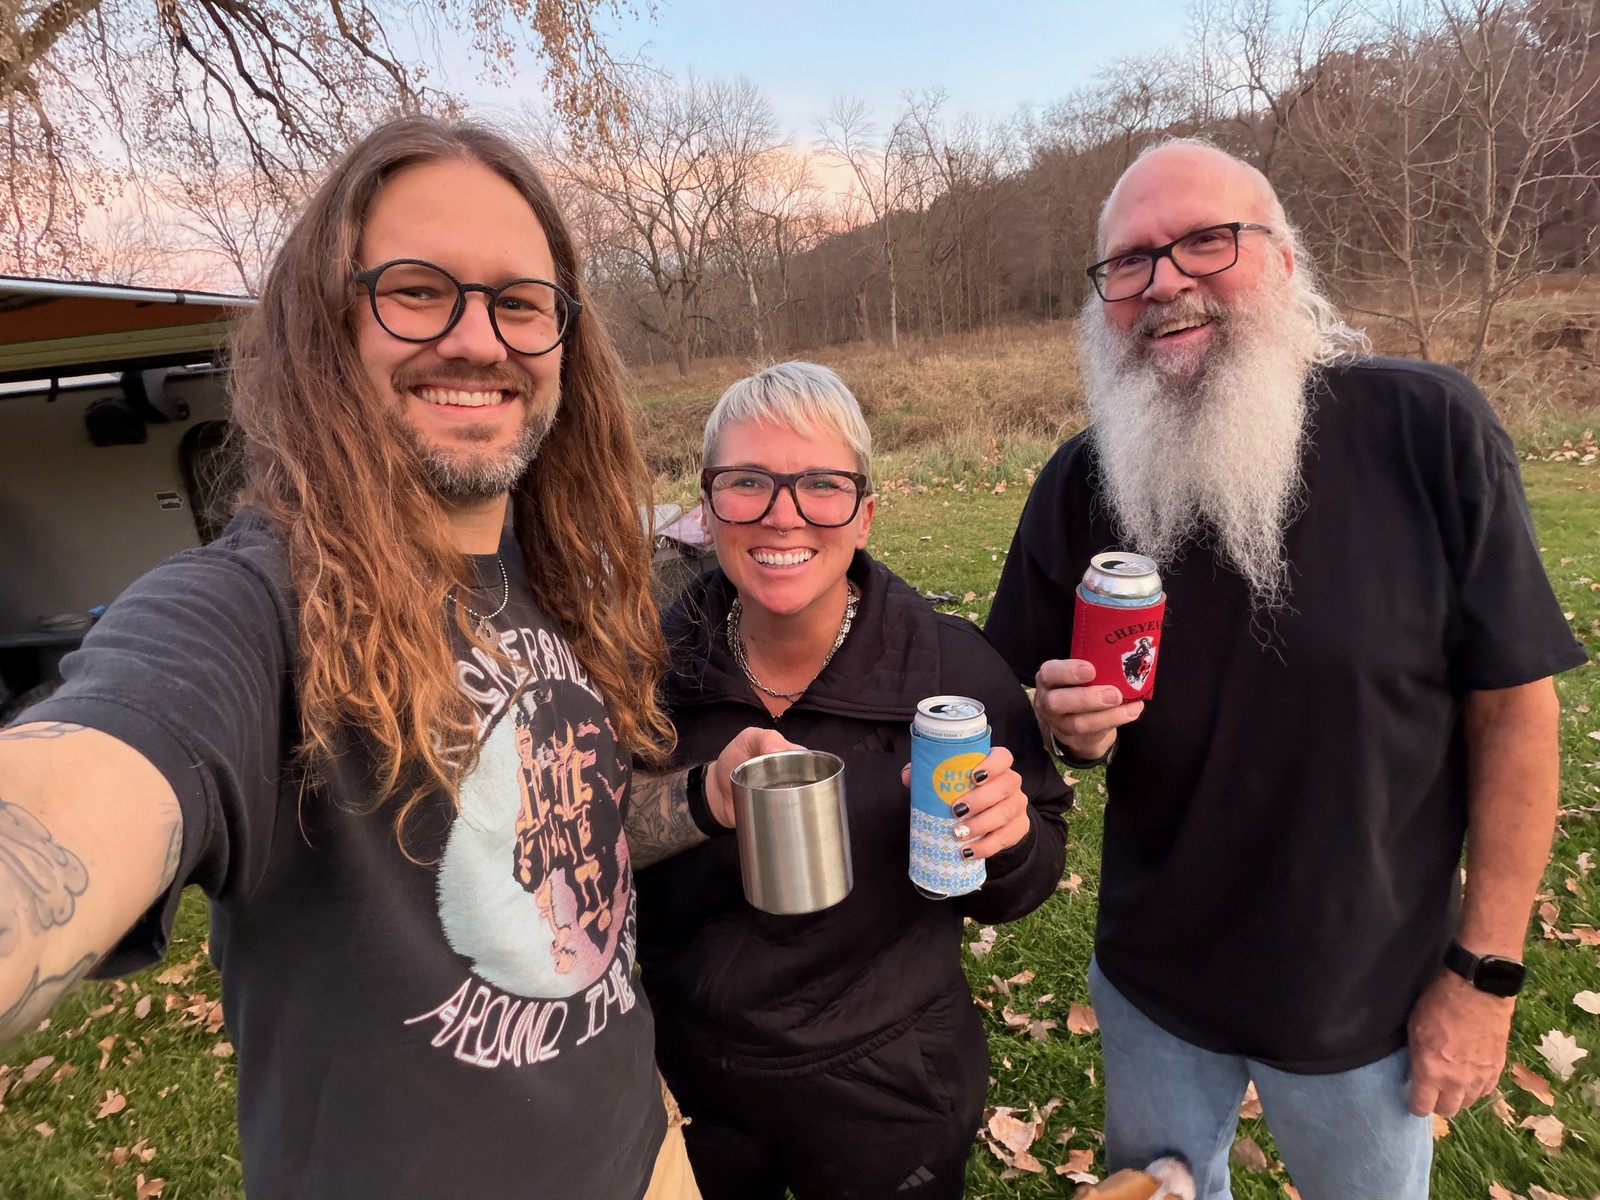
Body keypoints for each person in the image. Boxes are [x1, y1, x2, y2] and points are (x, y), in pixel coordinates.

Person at [0, 116, 789, 1200]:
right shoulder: (254, 611)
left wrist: (702, 798)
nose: (477, 339)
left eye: (521, 302)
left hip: (643, 1156)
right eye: (417, 290)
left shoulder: (557, 578)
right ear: (326, 325)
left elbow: (566, 836)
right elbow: (83, 785)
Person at [984, 138, 1587, 1200]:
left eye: (1205, 242)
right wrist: (1058, 721)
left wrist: (1483, 976)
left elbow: (1514, 713)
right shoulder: (1084, 480)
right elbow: (1014, 706)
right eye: (1129, 261)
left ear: (1285, 261)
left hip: (1365, 1002)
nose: (1163, 281)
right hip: (1154, 987)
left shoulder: (1426, 428)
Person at [635, 361, 1072, 1200]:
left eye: (822, 485)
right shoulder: (643, 669)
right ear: (707, 508)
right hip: (687, 1081)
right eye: (747, 482)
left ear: (865, 514)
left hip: (889, 1087)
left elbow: (1031, 871)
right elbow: (582, 850)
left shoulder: (952, 671)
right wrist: (699, 798)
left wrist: (1012, 843)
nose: (783, 514)